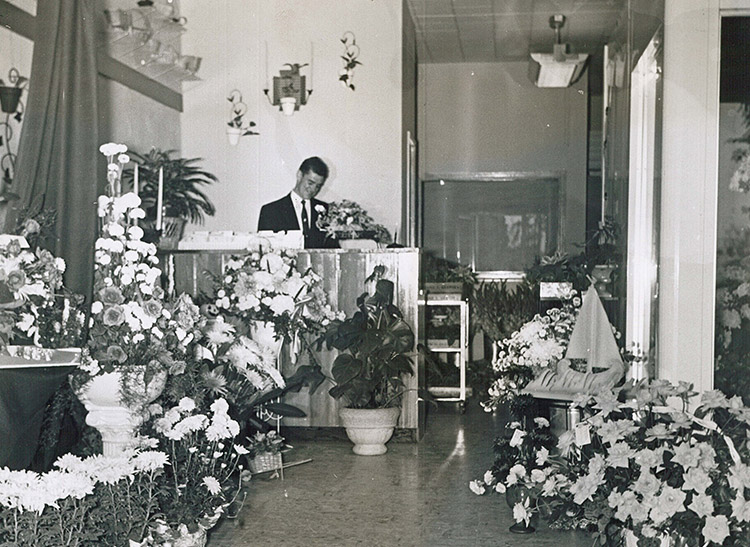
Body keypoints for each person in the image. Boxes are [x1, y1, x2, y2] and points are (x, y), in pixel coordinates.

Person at [257, 156, 338, 249]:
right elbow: (264, 251)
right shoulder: (271, 211)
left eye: (318, 186)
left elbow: (333, 249)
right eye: (310, 183)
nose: (313, 189)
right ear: (299, 175)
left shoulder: (327, 210)